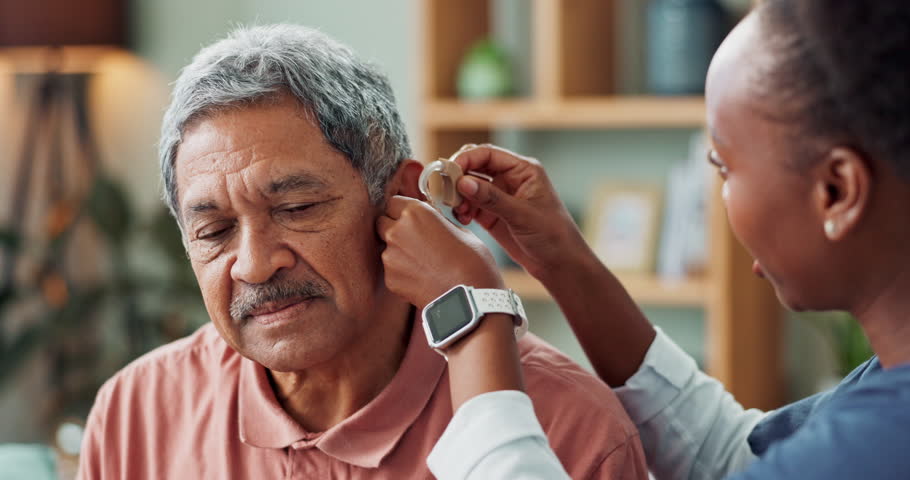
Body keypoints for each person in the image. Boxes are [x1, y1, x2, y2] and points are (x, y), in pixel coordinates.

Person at [76, 24, 649, 479]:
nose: (254, 263)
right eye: (214, 231)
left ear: (401, 197)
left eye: (297, 210)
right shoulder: (136, 414)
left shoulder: (571, 431)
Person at [378, 0, 910, 479]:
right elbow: (734, 456)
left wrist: (470, 316)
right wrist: (563, 259)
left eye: (723, 167)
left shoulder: (874, 445)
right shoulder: (879, 390)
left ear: (837, 191)